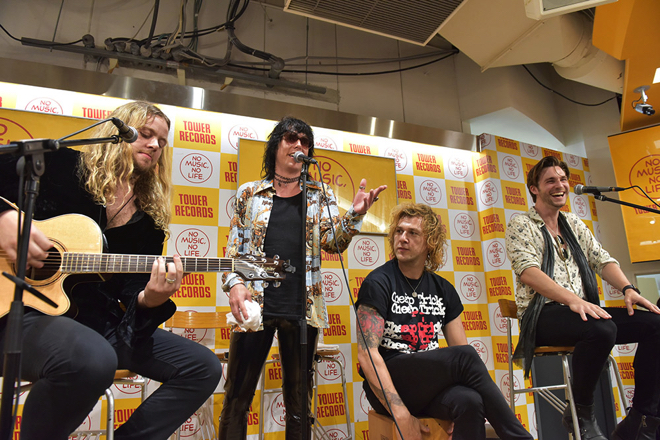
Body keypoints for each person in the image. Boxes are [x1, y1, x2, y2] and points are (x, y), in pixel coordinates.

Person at [0, 101, 222, 439]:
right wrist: (4, 217)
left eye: (162, 142)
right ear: (119, 133)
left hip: (96, 323)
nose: (154, 145)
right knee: (93, 358)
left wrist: (150, 298)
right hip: (18, 313)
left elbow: (131, 293)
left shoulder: (148, 221)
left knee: (202, 367)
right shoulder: (59, 165)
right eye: (145, 134)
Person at [219, 116, 386, 439]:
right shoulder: (249, 194)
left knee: (299, 403)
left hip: (302, 308)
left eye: (305, 141)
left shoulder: (319, 195)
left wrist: (356, 214)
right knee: (237, 397)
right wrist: (235, 284)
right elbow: (234, 249)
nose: (298, 145)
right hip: (254, 307)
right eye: (291, 138)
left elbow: (333, 243)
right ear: (276, 145)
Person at [505, 155, 660, 440]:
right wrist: (572, 299)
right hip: (542, 316)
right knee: (602, 328)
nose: (560, 185)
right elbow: (528, 271)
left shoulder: (574, 224)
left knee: (655, 324)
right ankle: (581, 411)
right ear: (534, 189)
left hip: (580, 313)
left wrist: (628, 289)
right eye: (550, 181)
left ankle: (642, 418)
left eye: (563, 179)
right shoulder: (521, 224)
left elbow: (602, 260)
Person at [355, 203, 533, 440]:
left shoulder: (443, 289)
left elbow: (460, 352)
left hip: (426, 385)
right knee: (465, 356)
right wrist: (400, 413)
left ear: (430, 242)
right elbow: (367, 354)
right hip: (389, 382)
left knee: (470, 401)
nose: (403, 238)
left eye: (413, 233)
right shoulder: (378, 282)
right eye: (399, 231)